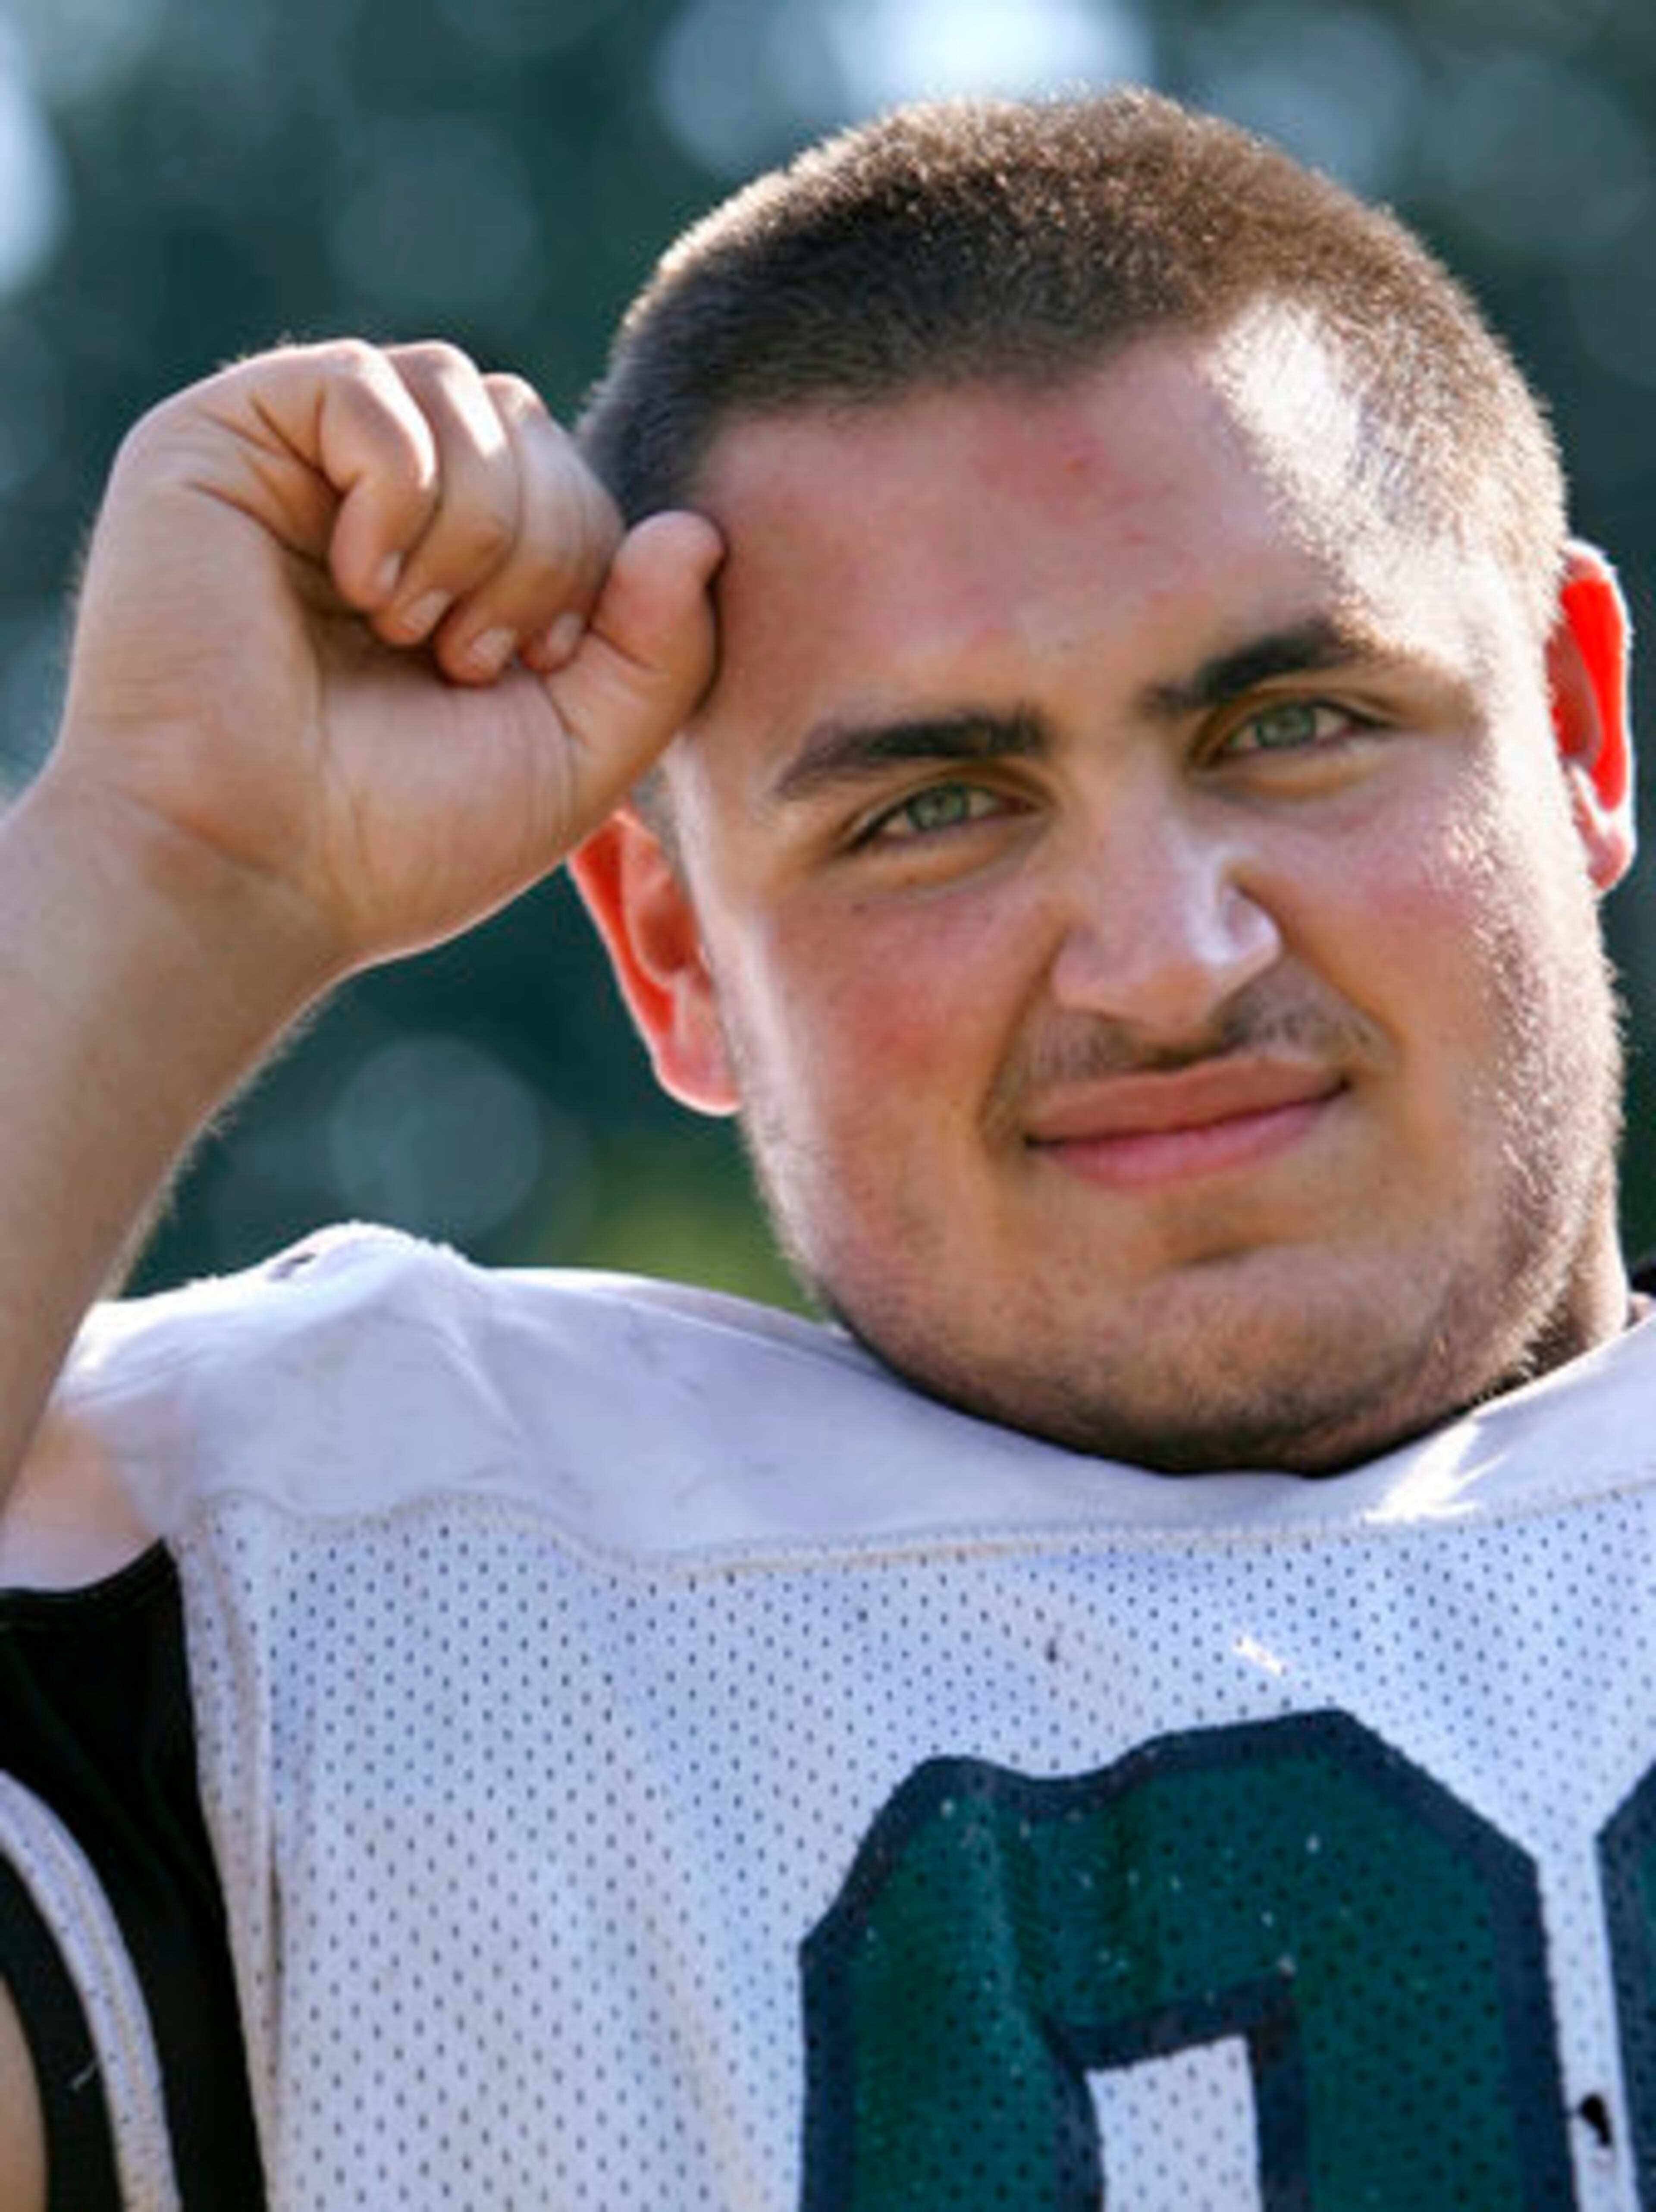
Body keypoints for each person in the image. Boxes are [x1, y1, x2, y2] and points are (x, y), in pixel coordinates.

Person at [0, 83, 1645, 2206]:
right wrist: (162, 871)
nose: (1163, 961)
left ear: (1583, 724)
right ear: (671, 950)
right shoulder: (370, 1627)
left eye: (1293, 724)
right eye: (932, 808)